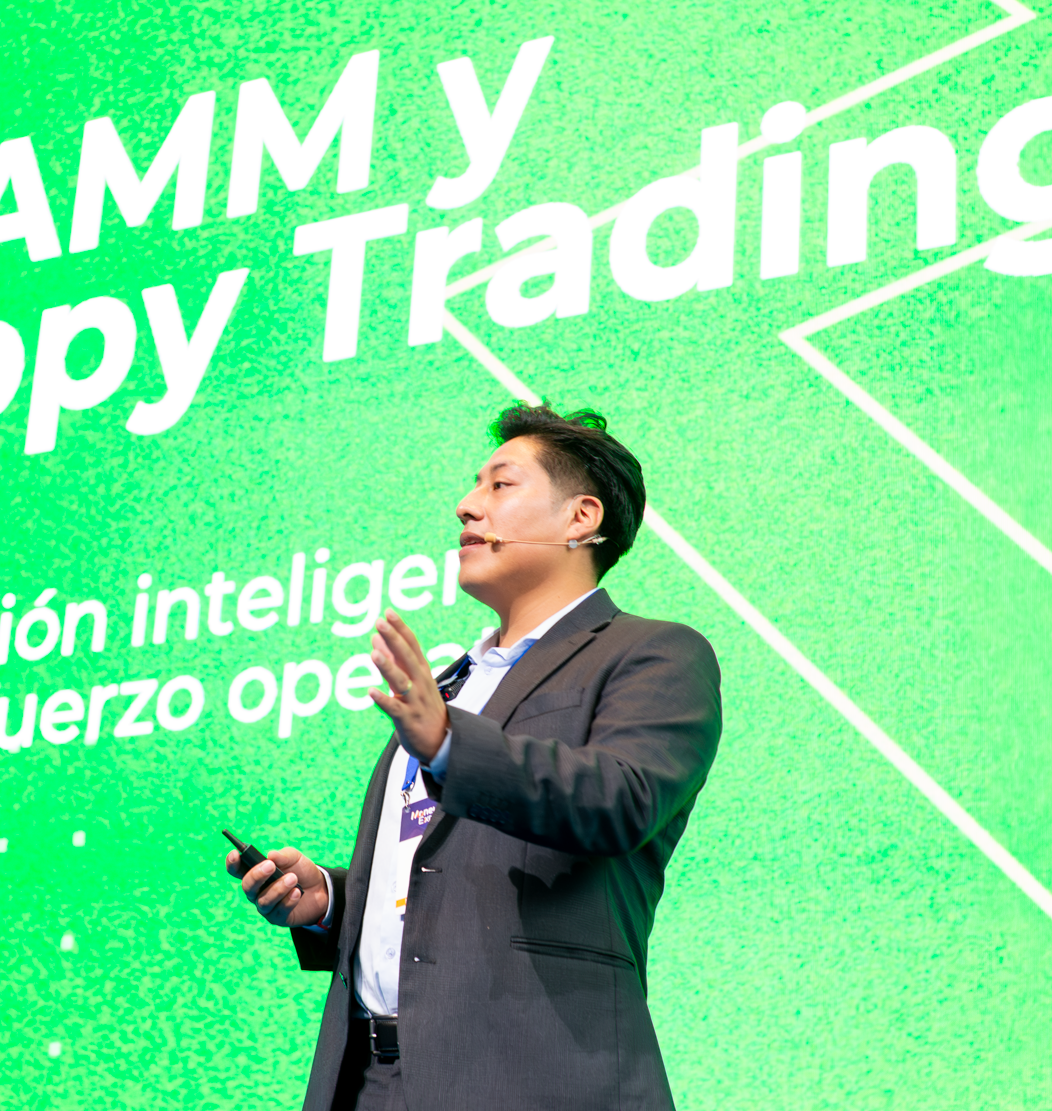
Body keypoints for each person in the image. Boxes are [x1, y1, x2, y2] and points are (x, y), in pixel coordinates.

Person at [224, 403, 724, 1111]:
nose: (466, 505)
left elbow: (620, 800)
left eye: (500, 485)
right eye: (474, 485)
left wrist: (450, 744)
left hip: (530, 1079)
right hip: (367, 1080)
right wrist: (332, 902)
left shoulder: (651, 653)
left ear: (581, 518)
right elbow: (437, 875)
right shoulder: (451, 683)